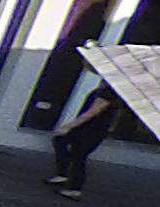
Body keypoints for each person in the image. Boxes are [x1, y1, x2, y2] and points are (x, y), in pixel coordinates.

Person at [47, 68, 120, 196]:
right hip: (88, 129)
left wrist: (68, 126)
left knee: (78, 156)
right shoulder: (102, 92)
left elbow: (91, 113)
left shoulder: (108, 94)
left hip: (91, 130)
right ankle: (63, 175)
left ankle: (74, 188)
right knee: (62, 142)